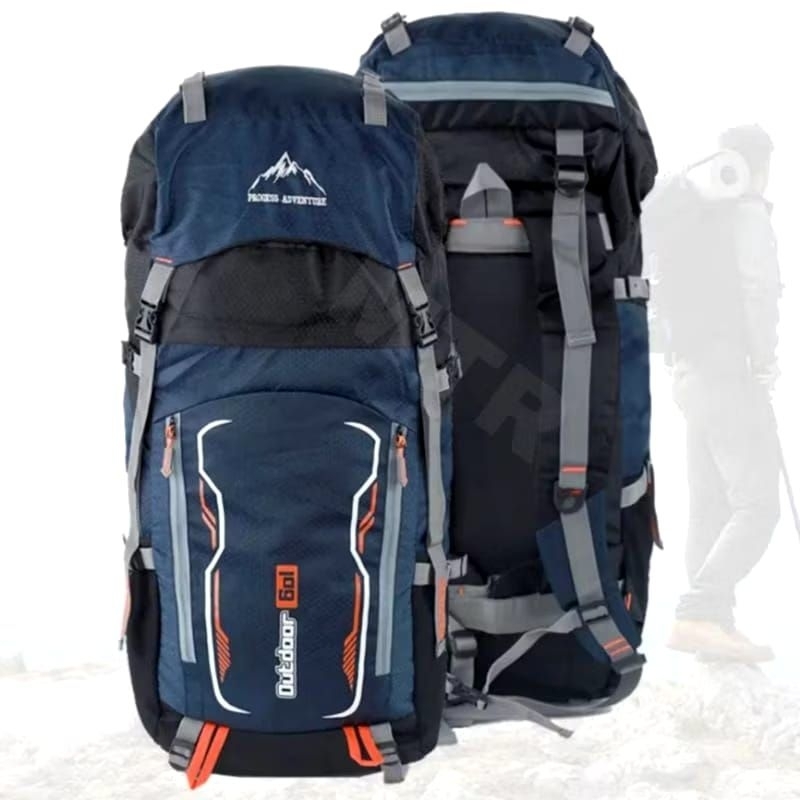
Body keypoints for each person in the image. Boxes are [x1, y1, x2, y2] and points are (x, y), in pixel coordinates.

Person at [645, 125, 781, 662]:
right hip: (728, 370)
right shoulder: (744, 212)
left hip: (689, 371)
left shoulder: (694, 209)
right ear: (759, 165)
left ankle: (711, 627)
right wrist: (763, 359)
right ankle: (700, 611)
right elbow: (758, 288)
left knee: (709, 505)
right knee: (758, 505)